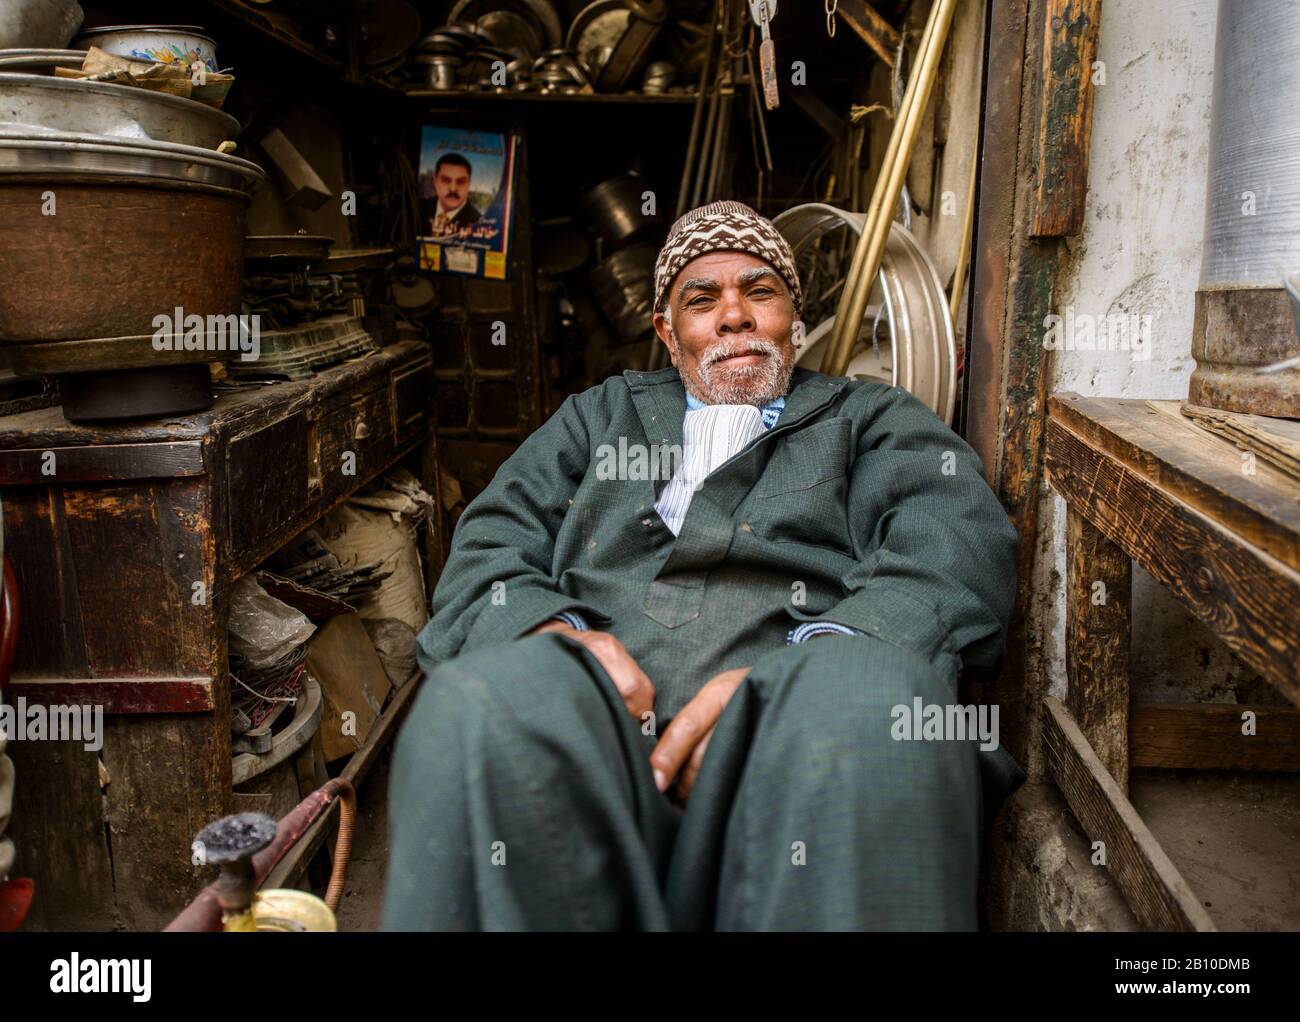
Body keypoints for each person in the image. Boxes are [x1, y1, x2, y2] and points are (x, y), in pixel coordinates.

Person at [384, 199, 1024, 931]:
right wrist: (555, 634)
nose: (734, 316)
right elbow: (493, 539)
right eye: (702, 299)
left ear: (794, 316)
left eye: (760, 292)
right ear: (667, 332)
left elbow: (954, 539)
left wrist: (803, 670)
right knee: (475, 708)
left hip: (801, 741)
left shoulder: (870, 417)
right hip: (597, 731)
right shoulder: (598, 417)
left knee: (871, 704)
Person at [420, 152, 481, 238]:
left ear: (469, 184)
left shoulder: (478, 223)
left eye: (460, 181)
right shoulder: (418, 208)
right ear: (435, 181)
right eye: (446, 180)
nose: (453, 188)